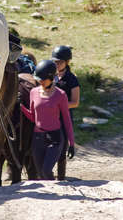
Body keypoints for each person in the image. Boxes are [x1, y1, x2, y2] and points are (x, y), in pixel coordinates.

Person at [20, 60, 75, 180]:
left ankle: (56, 188)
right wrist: (21, 107)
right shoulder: (33, 92)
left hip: (54, 138)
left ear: (51, 78)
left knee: (46, 171)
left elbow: (66, 120)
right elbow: (33, 117)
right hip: (38, 138)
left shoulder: (61, 95)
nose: (40, 81)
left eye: (43, 79)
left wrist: (71, 143)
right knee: (40, 173)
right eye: (38, 79)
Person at [50, 45, 80, 181]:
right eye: (54, 62)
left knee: (62, 149)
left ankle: (61, 176)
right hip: (49, 116)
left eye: (59, 62)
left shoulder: (72, 79)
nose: (56, 65)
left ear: (67, 62)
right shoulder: (50, 75)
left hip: (64, 117)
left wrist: (59, 106)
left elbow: (75, 102)